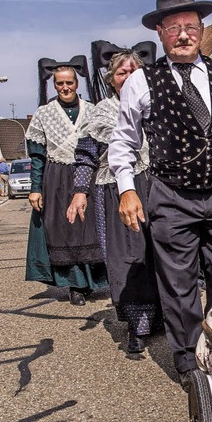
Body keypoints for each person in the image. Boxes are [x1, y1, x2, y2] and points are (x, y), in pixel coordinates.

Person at [108, 0, 212, 391]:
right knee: (178, 286)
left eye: (191, 27)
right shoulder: (142, 81)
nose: (183, 35)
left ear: (202, 31)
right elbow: (123, 142)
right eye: (174, 28)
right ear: (160, 33)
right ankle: (189, 360)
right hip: (171, 197)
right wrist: (127, 189)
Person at [67, 42, 161, 353]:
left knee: (160, 254)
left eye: (134, 70)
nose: (129, 76)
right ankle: (138, 324)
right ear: (112, 79)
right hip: (115, 190)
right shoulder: (101, 112)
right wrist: (79, 192)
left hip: (156, 187)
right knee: (128, 258)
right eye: (122, 72)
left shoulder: (158, 104)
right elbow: (85, 156)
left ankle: (164, 316)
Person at [24, 56, 108, 306]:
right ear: (54, 85)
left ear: (76, 83)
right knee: (66, 231)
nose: (65, 87)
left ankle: (96, 281)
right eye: (60, 83)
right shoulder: (44, 114)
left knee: (91, 228)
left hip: (90, 176)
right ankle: (76, 285)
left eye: (69, 82)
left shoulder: (93, 110)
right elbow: (37, 156)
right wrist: (35, 188)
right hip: (57, 177)